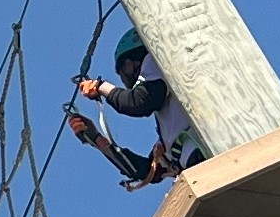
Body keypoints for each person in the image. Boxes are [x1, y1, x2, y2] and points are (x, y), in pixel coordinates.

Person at [67, 30, 204, 189]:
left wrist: (100, 87)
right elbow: (147, 172)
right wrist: (96, 139)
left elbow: (138, 102)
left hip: (205, 158)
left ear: (131, 63)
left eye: (124, 71)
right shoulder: (171, 122)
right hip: (198, 167)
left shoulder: (157, 61)